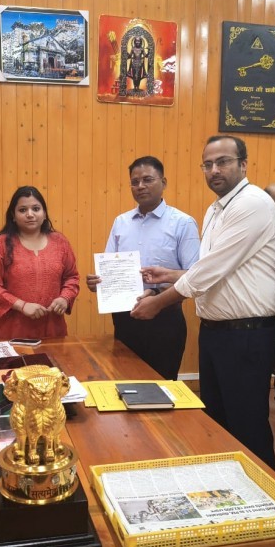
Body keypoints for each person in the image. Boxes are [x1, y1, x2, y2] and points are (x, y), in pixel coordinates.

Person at [131, 135, 275, 469]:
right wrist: (171, 274)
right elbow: (211, 268)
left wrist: (160, 301)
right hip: (216, 333)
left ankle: (263, 495)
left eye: (223, 162)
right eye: (208, 164)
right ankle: (228, 491)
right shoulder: (215, 208)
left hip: (246, 334)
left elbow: (211, 270)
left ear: (243, 164)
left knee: (247, 427)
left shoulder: (252, 204)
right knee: (218, 424)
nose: (214, 170)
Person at [86, 156, 199, 380]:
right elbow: (109, 268)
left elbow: (194, 276)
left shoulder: (182, 223)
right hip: (125, 317)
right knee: (124, 384)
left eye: (147, 180)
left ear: (163, 182)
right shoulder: (121, 222)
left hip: (165, 318)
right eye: (134, 182)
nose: (140, 186)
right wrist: (99, 282)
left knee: (162, 387)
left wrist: (157, 294)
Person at [0, 186, 80, 339]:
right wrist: (22, 305)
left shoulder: (60, 243)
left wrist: (64, 298)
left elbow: (71, 277)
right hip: (11, 332)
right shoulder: (0, 245)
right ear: (13, 215)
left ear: (44, 213)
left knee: (53, 356)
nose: (30, 214)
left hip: (52, 329)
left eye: (36, 209)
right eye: (22, 210)